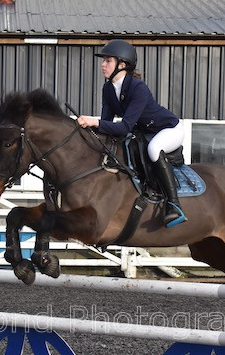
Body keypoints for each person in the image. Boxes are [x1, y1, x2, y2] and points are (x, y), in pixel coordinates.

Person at [77, 39, 186, 227]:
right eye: (103, 61)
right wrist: (88, 128)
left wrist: (94, 121)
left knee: (154, 149)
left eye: (108, 61)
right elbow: (107, 124)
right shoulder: (108, 88)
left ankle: (174, 205)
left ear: (123, 65)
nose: (103, 65)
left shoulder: (137, 87)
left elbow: (125, 127)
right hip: (143, 132)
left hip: (168, 129)